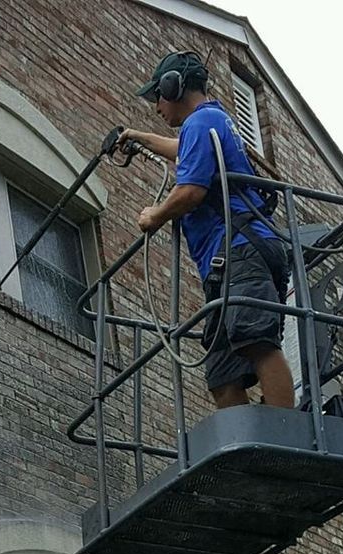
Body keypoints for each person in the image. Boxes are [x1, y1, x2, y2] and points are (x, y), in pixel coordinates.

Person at [121, 51, 293, 410]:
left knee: (256, 341)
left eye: (157, 96)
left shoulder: (200, 124)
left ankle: (282, 433)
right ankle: (249, 447)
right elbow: (181, 150)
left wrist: (155, 215)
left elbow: (190, 192)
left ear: (174, 87)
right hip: (230, 259)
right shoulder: (212, 124)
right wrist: (139, 137)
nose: (156, 107)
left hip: (241, 249)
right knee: (222, 375)